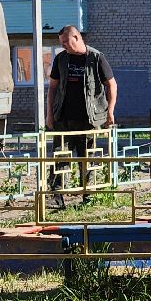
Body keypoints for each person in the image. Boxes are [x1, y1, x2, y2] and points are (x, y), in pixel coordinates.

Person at [46, 25, 117, 209]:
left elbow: (111, 84)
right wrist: (49, 115)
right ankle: (56, 198)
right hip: (63, 119)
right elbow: (53, 88)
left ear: (76, 38)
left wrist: (110, 111)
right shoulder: (61, 59)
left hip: (89, 120)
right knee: (60, 157)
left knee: (88, 159)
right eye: (61, 43)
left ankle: (89, 197)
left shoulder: (96, 58)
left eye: (65, 42)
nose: (63, 46)